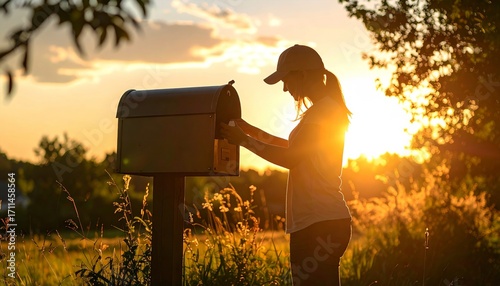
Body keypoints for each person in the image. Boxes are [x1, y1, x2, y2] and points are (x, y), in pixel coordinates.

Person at [220, 44, 352, 286]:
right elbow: (294, 148)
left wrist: (245, 141)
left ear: (301, 74)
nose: (284, 88)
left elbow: (291, 158)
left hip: (318, 224)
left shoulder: (323, 112)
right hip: (323, 221)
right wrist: (250, 130)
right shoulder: (323, 110)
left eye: (286, 80)